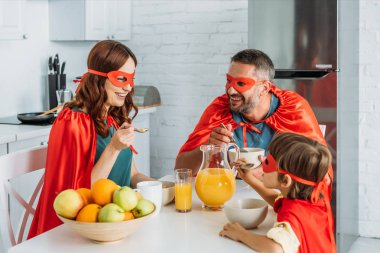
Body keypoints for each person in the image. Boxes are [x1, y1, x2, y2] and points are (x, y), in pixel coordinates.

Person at [28, 40, 153, 238]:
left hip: (118, 226)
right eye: (121, 78)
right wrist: (113, 148)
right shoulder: (72, 121)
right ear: (98, 78)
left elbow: (131, 175)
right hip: (84, 232)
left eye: (132, 78)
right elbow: (78, 196)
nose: (129, 87)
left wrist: (161, 187)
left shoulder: (113, 118)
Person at [175, 49, 332, 192]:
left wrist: (271, 173)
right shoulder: (219, 109)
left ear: (264, 88)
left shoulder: (293, 108)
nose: (230, 90)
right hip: (228, 197)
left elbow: (320, 173)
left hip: (278, 199)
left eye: (241, 83)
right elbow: (181, 169)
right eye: (229, 81)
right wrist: (208, 146)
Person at [220, 133, 336, 253]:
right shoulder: (311, 200)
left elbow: (275, 248)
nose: (262, 163)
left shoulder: (292, 215)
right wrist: (250, 179)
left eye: (268, 162)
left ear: (285, 180)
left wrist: (241, 234)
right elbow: (277, 200)